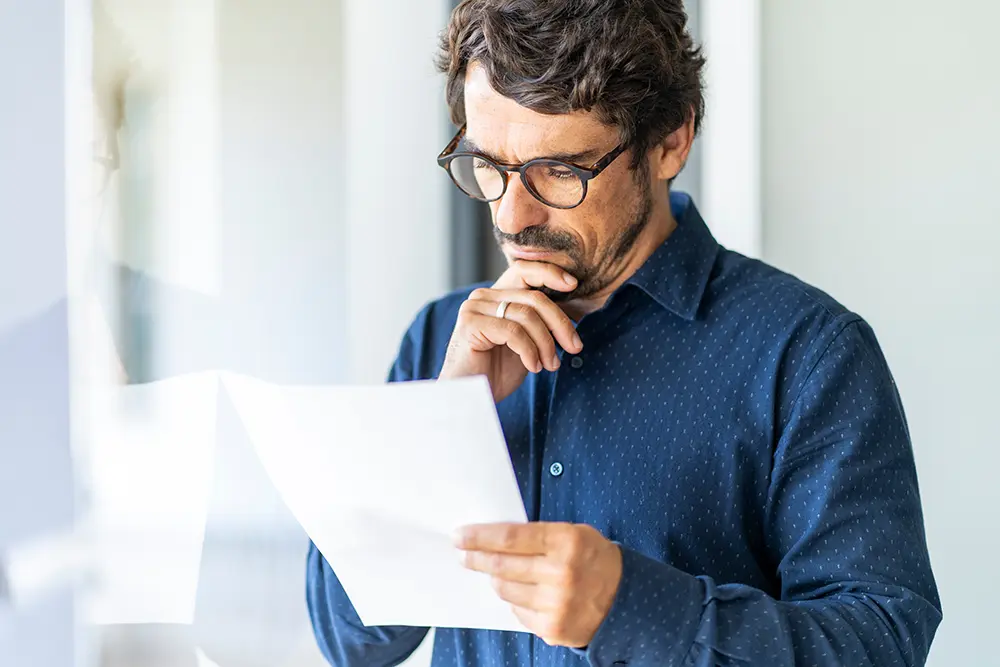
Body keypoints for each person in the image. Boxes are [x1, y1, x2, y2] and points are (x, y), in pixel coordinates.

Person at [306, 1, 942, 665]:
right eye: (487, 164)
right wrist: (442, 417)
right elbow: (350, 639)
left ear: (670, 140)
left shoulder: (809, 354)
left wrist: (630, 607)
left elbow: (880, 642)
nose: (512, 215)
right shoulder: (442, 336)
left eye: (559, 170)